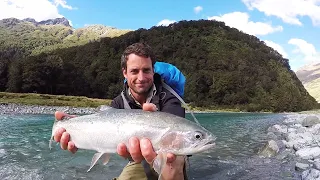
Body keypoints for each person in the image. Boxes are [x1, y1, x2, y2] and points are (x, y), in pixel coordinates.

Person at [53, 42, 187, 180]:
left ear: (153, 70)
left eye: (146, 70)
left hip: (169, 159)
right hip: (137, 160)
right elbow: (102, 128)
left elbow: (176, 134)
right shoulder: (118, 103)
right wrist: (75, 126)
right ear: (125, 73)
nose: (141, 78)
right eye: (134, 71)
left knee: (173, 158)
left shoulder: (169, 98)